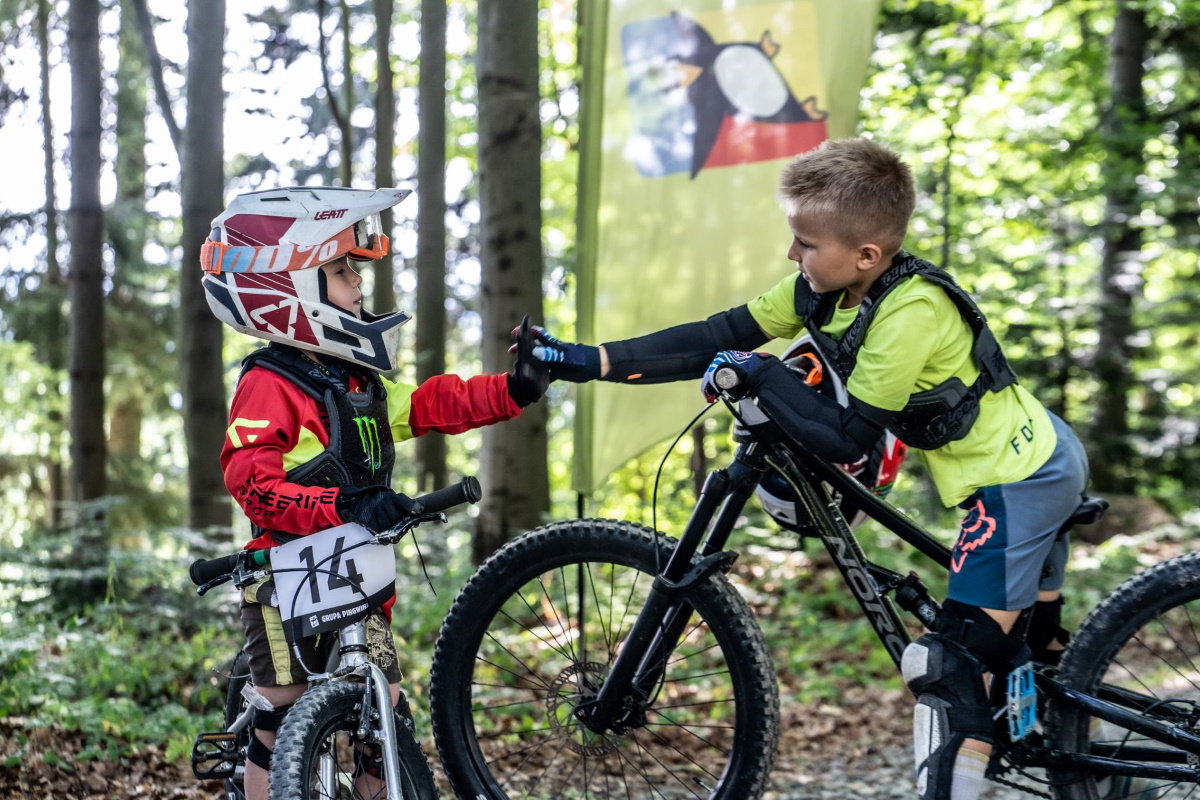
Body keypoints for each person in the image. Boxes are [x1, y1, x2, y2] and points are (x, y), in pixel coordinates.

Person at [517, 138, 1091, 800]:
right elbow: (716, 333)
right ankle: (1091, 772)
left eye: (806, 243)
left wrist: (760, 372)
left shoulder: (911, 311)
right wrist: (586, 361)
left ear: (866, 255)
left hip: (1025, 479)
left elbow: (848, 439)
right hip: (1013, 466)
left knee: (947, 665)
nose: (793, 255)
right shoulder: (826, 292)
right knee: (1029, 664)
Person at [200, 185, 548, 800]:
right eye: (340, 271)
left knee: (383, 707)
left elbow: (432, 405)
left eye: (354, 271)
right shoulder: (270, 382)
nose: (358, 284)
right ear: (288, 289)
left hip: (356, 577)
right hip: (284, 574)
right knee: (282, 708)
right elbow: (250, 481)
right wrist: (343, 505)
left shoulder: (358, 381)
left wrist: (511, 391)